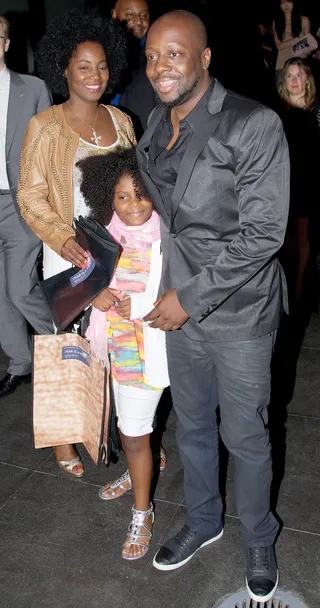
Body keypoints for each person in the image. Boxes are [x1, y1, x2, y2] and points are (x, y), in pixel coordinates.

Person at [137, 10, 290, 603]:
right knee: (194, 425)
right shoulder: (157, 121)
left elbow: (263, 234)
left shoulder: (253, 124)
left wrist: (188, 298)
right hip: (178, 307)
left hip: (239, 311)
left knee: (246, 436)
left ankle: (259, 537)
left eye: (174, 54)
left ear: (204, 58)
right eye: (151, 55)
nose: (159, 66)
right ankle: (203, 522)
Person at [17, 9, 135, 479]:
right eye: (83, 66)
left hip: (117, 250)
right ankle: (64, 437)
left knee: (115, 343)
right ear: (62, 69)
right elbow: (29, 194)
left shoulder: (123, 120)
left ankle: (125, 432)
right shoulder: (44, 126)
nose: (94, 75)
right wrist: (62, 238)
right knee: (68, 344)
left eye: (102, 65)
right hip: (68, 252)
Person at [78, 148, 169, 560]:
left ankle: (143, 512)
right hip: (110, 348)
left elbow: (182, 286)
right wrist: (94, 294)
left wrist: (143, 299)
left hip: (149, 350)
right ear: (108, 199)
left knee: (133, 434)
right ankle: (140, 472)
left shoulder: (169, 235)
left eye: (142, 193)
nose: (134, 205)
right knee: (128, 428)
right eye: (123, 196)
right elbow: (82, 282)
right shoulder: (102, 235)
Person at [0, 16, 53, 399]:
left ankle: (71, 341)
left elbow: (48, 150)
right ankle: (20, 363)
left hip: (18, 203)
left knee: (21, 291)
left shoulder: (32, 88)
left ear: (5, 44)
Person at [277, 58, 320, 302]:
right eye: (290, 76)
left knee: (303, 237)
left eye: (298, 75)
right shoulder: (276, 111)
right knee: (283, 236)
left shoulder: (316, 111)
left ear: (307, 80)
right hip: (282, 180)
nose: (294, 80)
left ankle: (299, 287)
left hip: (308, 181)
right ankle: (283, 282)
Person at [111, 0, 157, 137]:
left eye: (144, 15)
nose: (138, 21)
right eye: (130, 15)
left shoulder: (156, 55)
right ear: (114, 14)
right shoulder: (100, 50)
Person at [273, 1, 311, 71]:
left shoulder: (304, 20)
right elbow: (278, 46)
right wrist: (294, 40)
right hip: (282, 64)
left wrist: (308, 50)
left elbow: (308, 44)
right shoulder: (276, 22)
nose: (286, 5)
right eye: (283, 2)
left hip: (300, 63)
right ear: (280, 5)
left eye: (289, 1)